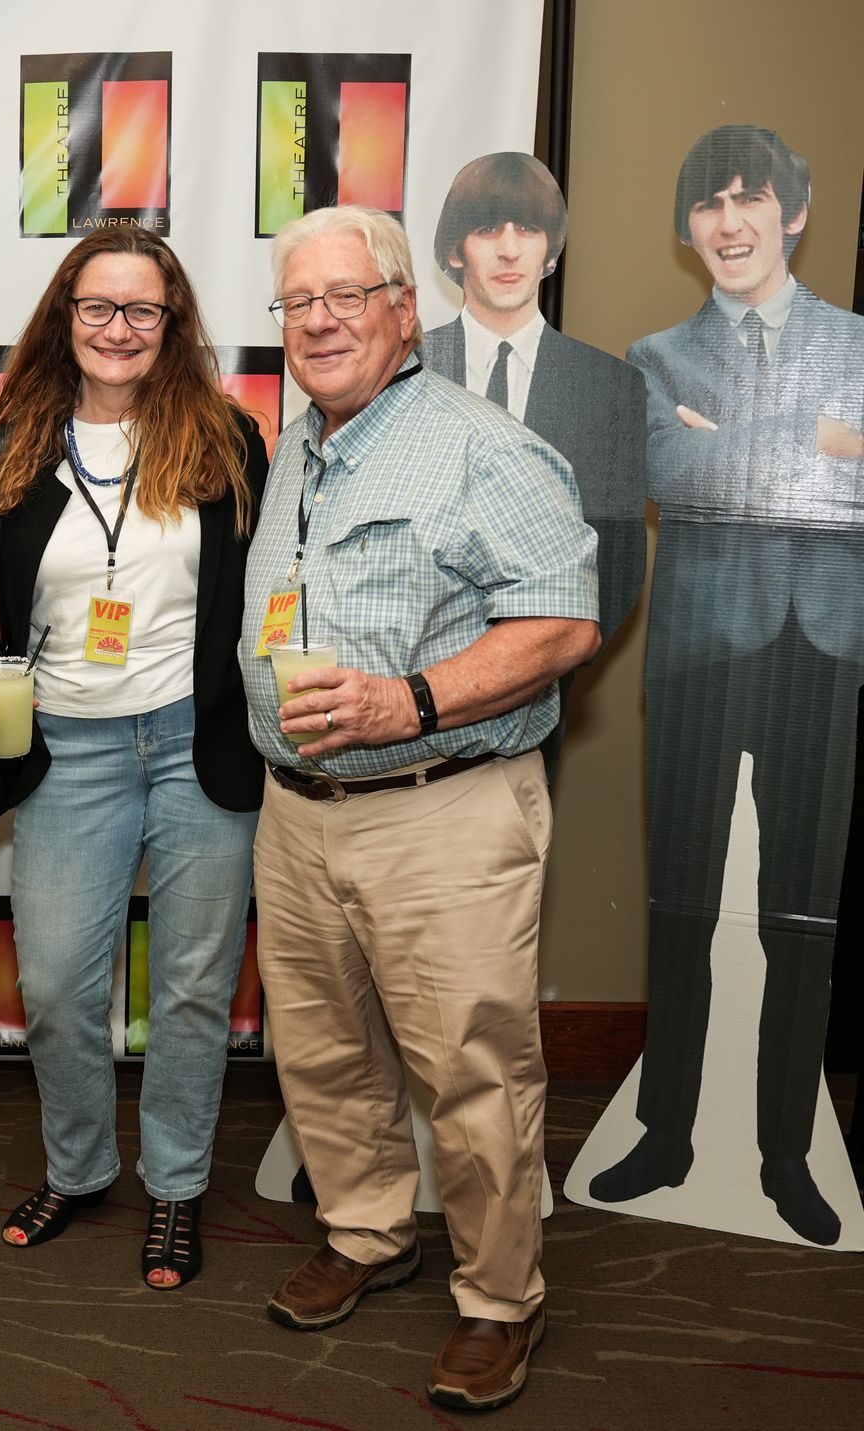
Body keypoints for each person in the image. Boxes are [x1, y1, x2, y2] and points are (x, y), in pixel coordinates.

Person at [243, 205, 598, 1412]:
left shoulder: (478, 445)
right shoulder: (300, 446)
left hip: (442, 806)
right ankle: (364, 1232)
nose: (322, 321)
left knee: (472, 1070)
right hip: (299, 812)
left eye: (348, 296)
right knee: (327, 1052)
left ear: (406, 310)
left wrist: (413, 700)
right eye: (299, 303)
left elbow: (563, 620)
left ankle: (501, 1299)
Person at [0, 228, 267, 1290]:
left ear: (172, 324)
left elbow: (258, 597)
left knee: (189, 986)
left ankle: (175, 1187)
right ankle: (79, 1169)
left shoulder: (226, 440)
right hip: (67, 749)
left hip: (194, 746)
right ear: (65, 315)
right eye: (98, 309)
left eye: (142, 311)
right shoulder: (12, 446)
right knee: (52, 988)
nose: (119, 331)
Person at [588, 126, 864, 1247]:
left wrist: (753, 435)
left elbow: (732, 460)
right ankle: (666, 1132)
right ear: (686, 226)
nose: (730, 223)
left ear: (793, 214)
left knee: (805, 912)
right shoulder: (654, 358)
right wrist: (820, 439)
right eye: (708, 206)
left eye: (752, 201)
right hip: (700, 647)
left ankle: (788, 1151)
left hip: (828, 650)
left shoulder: (858, 344)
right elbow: (664, 467)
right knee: (683, 901)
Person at [423, 152, 647, 778]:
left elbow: (619, 560)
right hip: (405, 691)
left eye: (527, 230)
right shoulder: (401, 368)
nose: (509, 250)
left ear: (550, 250)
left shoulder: (610, 386)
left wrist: (535, 664)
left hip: (538, 697)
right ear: (455, 251)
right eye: (488, 229)